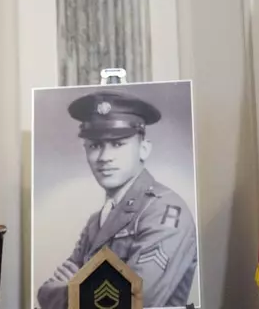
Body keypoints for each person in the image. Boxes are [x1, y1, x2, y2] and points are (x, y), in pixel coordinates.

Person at [37, 91, 198, 308]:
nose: (104, 157)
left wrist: (69, 289)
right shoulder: (97, 221)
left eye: (118, 144)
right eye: (95, 146)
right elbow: (44, 292)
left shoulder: (165, 211)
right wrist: (74, 292)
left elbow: (134, 299)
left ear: (144, 149)